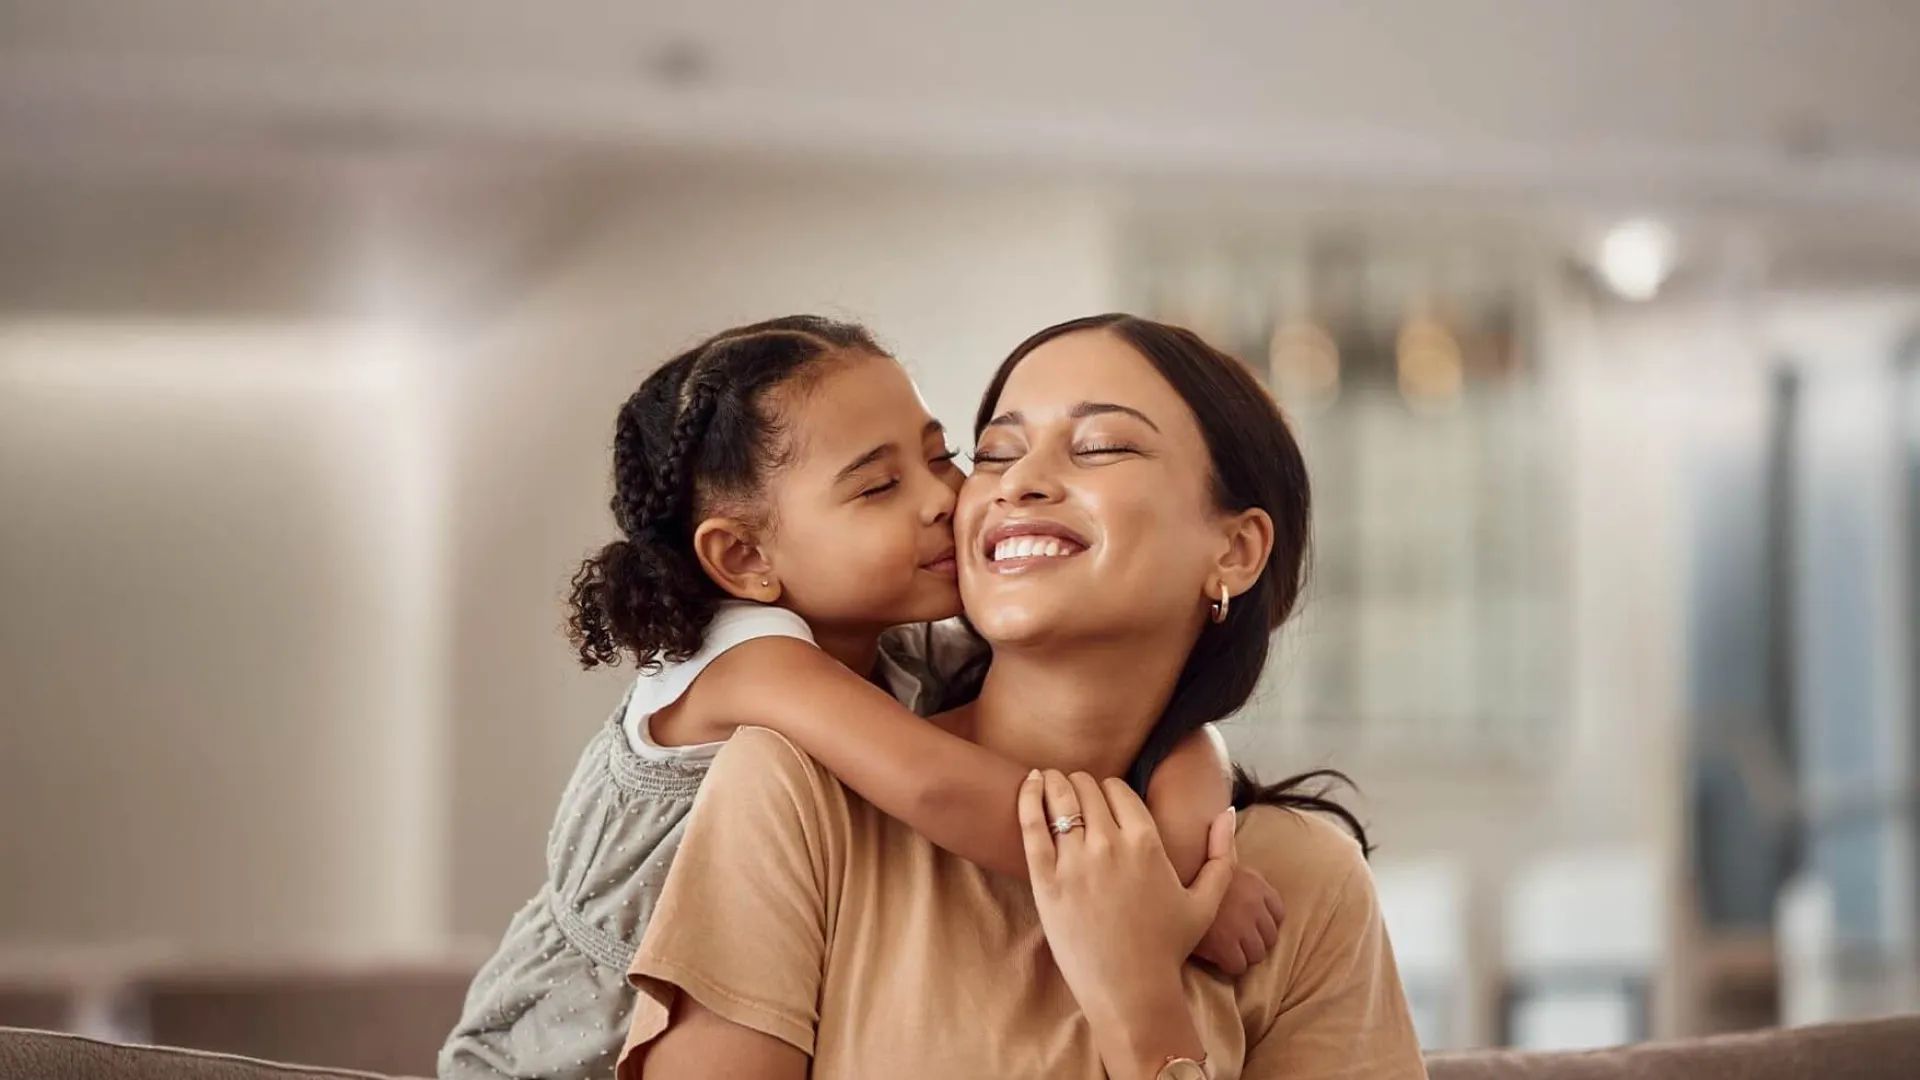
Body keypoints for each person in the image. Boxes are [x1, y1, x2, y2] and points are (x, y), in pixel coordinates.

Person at [439, 316, 1285, 1080]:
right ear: (743, 560)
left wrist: (1194, 833)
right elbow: (940, 788)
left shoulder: (900, 650)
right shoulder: (751, 665)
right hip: (554, 1048)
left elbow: (1157, 715)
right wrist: (1148, 887)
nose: (944, 498)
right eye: (879, 488)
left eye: (943, 454)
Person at [618, 314, 1428, 1079]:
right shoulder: (794, 790)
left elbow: (1184, 745)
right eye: (998, 453)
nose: (1018, 484)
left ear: (1236, 549)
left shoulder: (1304, 881)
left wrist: (1142, 1006)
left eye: (1102, 446)